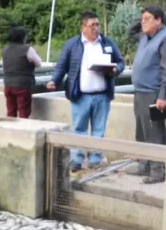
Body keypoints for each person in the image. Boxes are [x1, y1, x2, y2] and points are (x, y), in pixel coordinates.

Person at [47, 12, 125, 172]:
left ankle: (95, 160)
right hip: (80, 95)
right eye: (92, 25)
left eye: (98, 25)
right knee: (79, 129)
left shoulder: (106, 43)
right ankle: (77, 159)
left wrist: (116, 69)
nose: (96, 28)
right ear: (83, 27)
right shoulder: (72, 45)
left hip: (102, 95)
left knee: (99, 130)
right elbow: (61, 65)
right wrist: (54, 80)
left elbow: (120, 62)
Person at [126, 6, 166, 184]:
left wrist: (164, 96)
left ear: (159, 20)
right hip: (140, 92)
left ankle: (158, 170)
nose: (143, 22)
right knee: (141, 131)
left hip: (155, 93)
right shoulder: (145, 36)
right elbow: (129, 32)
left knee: (155, 132)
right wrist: (142, 18)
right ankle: (144, 165)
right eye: (142, 19)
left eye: (147, 18)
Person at [2, 26, 42, 118]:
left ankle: (10, 130)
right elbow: (38, 63)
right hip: (23, 86)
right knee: (24, 113)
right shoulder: (28, 50)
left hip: (8, 85)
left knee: (11, 112)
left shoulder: (4, 50)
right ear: (23, 37)